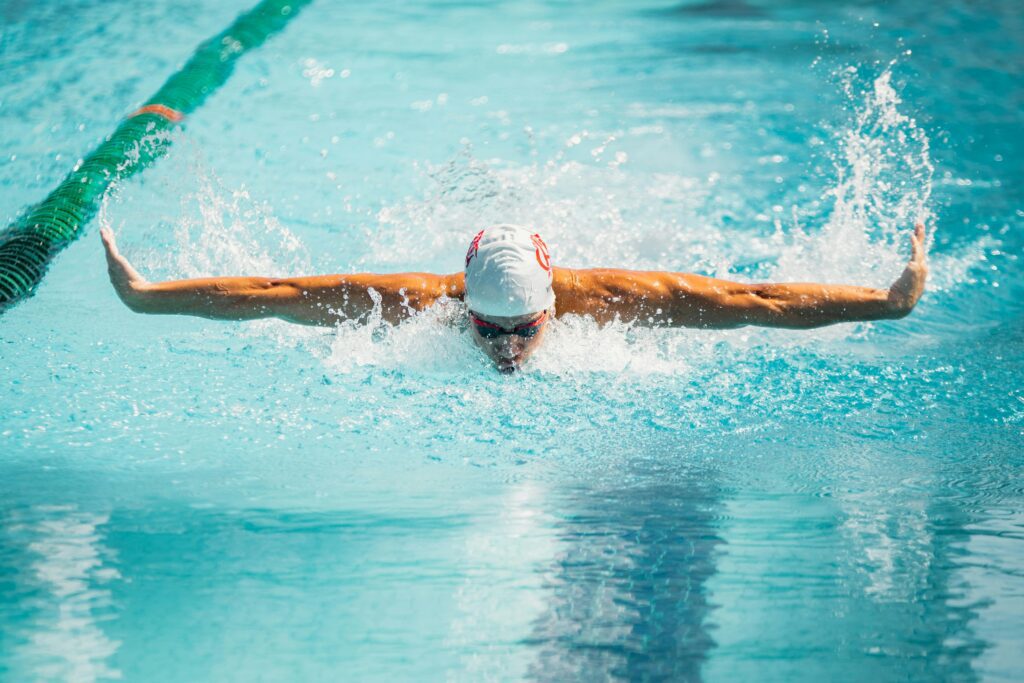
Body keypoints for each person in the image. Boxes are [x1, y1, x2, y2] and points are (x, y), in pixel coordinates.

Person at [101, 222, 927, 373]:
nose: (504, 350)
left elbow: (757, 299)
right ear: (459, 303)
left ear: (552, 308)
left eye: (522, 331)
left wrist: (883, 302)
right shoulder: (413, 302)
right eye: (486, 330)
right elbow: (272, 292)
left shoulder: (615, 300)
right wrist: (146, 297)